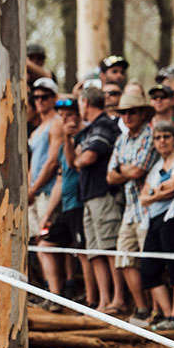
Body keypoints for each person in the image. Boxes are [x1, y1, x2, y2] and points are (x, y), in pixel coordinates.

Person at [106, 89, 158, 327]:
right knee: (124, 258)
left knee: (151, 262)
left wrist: (122, 170)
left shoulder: (151, 135)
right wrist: (126, 171)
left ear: (143, 113)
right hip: (130, 209)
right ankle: (141, 308)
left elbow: (138, 171)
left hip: (149, 208)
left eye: (132, 112)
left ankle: (159, 312)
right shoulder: (122, 139)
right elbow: (110, 176)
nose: (127, 117)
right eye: (123, 112)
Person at [39, 96, 94, 307]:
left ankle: (90, 300)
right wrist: (47, 214)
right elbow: (60, 181)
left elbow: (77, 165)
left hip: (82, 204)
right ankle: (55, 296)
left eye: (70, 115)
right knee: (45, 246)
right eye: (62, 117)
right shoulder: (64, 145)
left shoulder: (86, 138)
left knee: (82, 252)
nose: (66, 120)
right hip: (67, 205)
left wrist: (71, 139)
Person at [71, 86, 122, 314]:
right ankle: (103, 301)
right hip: (89, 196)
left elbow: (87, 158)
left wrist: (81, 157)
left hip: (104, 195)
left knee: (109, 248)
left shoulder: (104, 125)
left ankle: (118, 298)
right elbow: (74, 159)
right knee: (95, 251)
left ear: (85, 102)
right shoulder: (90, 129)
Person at [138, 122, 174, 330]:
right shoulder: (155, 168)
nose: (162, 141)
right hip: (153, 219)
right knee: (149, 270)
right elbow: (143, 198)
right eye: (158, 137)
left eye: (166, 137)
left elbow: (173, 187)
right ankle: (168, 313)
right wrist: (158, 191)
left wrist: (155, 192)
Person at [28, 78, 61, 243]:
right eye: (36, 97)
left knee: (48, 242)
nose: (39, 100)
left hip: (48, 192)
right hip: (35, 193)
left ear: (54, 98)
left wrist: (33, 190)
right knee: (34, 242)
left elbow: (53, 161)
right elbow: (32, 164)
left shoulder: (57, 123)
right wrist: (28, 190)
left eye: (45, 97)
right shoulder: (36, 131)